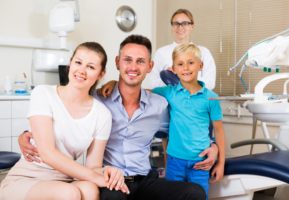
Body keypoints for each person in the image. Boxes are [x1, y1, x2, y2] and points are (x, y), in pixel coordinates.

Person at [18, 35, 219, 200]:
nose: (133, 67)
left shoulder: (159, 104)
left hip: (146, 180)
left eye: (140, 62)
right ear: (117, 62)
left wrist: (213, 144)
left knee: (194, 192)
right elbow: (66, 118)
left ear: (149, 67)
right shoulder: (97, 100)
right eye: (127, 60)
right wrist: (28, 133)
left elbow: (187, 125)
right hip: (111, 181)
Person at [0, 42, 129, 200]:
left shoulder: (102, 114)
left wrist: (107, 171)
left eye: (90, 67)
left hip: (63, 179)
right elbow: (47, 154)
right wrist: (96, 177)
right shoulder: (43, 93)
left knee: (90, 189)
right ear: (70, 63)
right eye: (78, 62)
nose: (81, 70)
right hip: (26, 178)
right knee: (69, 193)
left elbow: (93, 167)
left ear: (101, 74)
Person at [98, 43, 225, 199]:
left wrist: (217, 155)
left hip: (192, 163)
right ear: (174, 68)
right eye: (180, 64)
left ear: (201, 65)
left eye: (191, 63)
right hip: (169, 163)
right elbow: (135, 88)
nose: (185, 68)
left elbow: (217, 130)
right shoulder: (169, 93)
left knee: (196, 193)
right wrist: (113, 83)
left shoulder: (208, 98)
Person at [148, 9, 216, 90]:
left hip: (195, 100)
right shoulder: (161, 52)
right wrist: (169, 76)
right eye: (176, 23)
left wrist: (183, 75)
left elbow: (210, 84)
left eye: (185, 23)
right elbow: (152, 85)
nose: (180, 27)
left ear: (192, 26)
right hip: (168, 101)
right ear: (172, 26)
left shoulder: (203, 52)